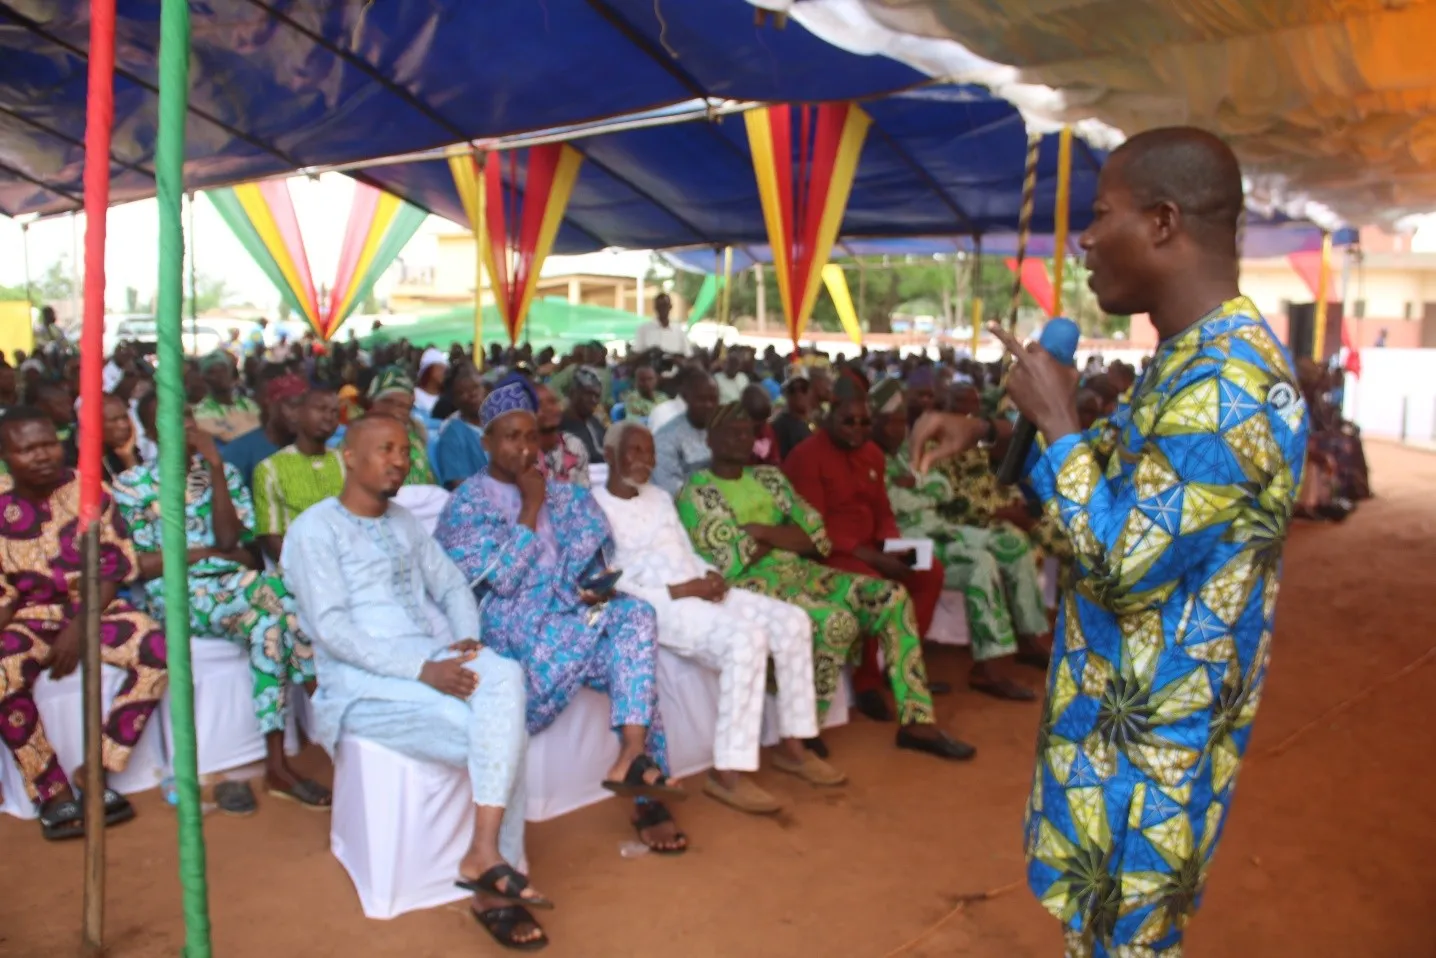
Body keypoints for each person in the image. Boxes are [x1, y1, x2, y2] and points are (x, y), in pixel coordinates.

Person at [913, 127, 1309, 957]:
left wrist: (1057, 418)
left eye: (1102, 215)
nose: (1086, 239)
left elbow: (1125, 557)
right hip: (1108, 742)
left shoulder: (1232, 386)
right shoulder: (1185, 363)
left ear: (1163, 222)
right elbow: (1096, 494)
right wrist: (993, 429)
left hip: (1150, 765)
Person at [283, 415, 547, 949]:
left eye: (404, 450)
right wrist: (421, 670)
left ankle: (485, 856)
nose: (399, 461)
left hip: (427, 660)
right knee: (506, 733)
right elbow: (332, 631)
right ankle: (494, 874)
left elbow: (451, 586)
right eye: (385, 449)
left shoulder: (403, 522)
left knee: (505, 675)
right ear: (348, 458)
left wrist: (467, 643)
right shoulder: (313, 530)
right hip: (361, 687)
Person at [435, 375, 688, 854]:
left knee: (633, 617)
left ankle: (633, 751)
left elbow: (593, 560)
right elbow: (504, 581)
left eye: (532, 436)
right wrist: (530, 508)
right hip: (519, 635)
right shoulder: (465, 504)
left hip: (574, 620)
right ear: (486, 442)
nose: (525, 448)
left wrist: (592, 589)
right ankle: (646, 796)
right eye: (512, 437)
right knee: (627, 653)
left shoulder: (564, 494)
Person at [677, 404, 974, 762]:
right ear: (709, 440)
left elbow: (816, 535)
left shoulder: (768, 478)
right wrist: (785, 535)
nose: (743, 439)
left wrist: (765, 532)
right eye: (732, 433)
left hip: (803, 572)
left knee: (892, 596)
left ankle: (916, 720)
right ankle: (803, 730)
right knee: (835, 620)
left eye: (748, 432)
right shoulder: (697, 490)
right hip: (749, 584)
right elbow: (735, 556)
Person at [594, 419, 843, 815]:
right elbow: (610, 585)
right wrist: (682, 590)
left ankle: (793, 744)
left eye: (650, 452)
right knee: (744, 640)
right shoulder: (593, 507)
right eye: (635, 450)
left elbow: (684, 550)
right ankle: (727, 772)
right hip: (657, 604)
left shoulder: (659, 496)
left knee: (792, 621)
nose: (646, 460)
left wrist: (709, 573)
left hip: (698, 585)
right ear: (609, 454)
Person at [114, 408, 328, 808]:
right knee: (276, 609)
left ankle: (281, 760)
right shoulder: (132, 485)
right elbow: (140, 565)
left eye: (189, 418)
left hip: (234, 585)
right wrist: (209, 553)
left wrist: (214, 465)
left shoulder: (223, 474)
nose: (187, 427)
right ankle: (324, 718)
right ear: (152, 429)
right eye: (175, 419)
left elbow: (235, 542)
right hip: (175, 593)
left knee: (279, 605)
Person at [0, 408, 168, 838]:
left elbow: (112, 567)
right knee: (2, 671)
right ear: (6, 455)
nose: (41, 456)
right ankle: (51, 792)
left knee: (156, 649)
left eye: (47, 444)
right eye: (27, 449)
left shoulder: (88, 488)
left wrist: (79, 626)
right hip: (30, 616)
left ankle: (97, 769)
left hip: (95, 605)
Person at [783, 373, 950, 724]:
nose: (857, 428)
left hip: (875, 545)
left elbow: (883, 511)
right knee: (878, 584)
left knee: (929, 569)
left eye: (864, 422)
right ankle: (867, 683)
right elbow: (812, 529)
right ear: (829, 416)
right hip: (830, 552)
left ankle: (898, 663)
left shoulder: (873, 454)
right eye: (848, 421)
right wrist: (873, 556)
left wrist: (891, 545)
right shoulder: (805, 456)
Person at [870, 379, 1047, 701]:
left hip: (937, 529)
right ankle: (990, 666)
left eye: (899, 422)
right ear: (873, 425)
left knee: (1013, 544)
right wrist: (914, 486)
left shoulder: (907, 449)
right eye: (889, 422)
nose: (897, 429)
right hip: (896, 547)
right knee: (979, 563)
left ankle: (1029, 635)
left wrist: (914, 483)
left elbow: (942, 487)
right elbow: (896, 502)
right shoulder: (870, 458)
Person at [252, 387, 345, 562]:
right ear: (297, 414)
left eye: (334, 412)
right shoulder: (270, 469)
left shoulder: (345, 462)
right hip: (299, 566)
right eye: (321, 409)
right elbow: (270, 536)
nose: (329, 417)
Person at [222, 371, 306, 491]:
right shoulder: (240, 451)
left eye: (304, 407)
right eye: (292, 406)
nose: (298, 414)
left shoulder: (314, 448)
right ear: (270, 405)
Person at [365, 366, 437, 486]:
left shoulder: (416, 440)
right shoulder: (357, 441)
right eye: (389, 402)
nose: (396, 410)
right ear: (373, 404)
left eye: (404, 406)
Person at [651, 371, 719, 495]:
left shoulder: (722, 430)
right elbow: (670, 488)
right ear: (686, 397)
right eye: (701, 399)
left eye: (713, 399)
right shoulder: (666, 437)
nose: (709, 405)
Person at [434, 368, 489, 490]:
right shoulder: (452, 436)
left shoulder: (500, 423)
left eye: (476, 387)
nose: (472, 395)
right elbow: (461, 489)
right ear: (455, 401)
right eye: (462, 392)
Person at [193, 352, 261, 444]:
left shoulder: (247, 404)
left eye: (224, 370)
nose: (221, 376)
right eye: (213, 372)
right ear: (205, 378)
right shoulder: (202, 412)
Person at [535, 383, 589, 486]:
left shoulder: (574, 445)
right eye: (539, 404)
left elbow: (583, 494)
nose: (548, 409)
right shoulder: (523, 452)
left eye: (553, 402)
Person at [559, 367, 606, 463]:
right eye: (588, 394)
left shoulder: (594, 422)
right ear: (572, 393)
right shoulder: (560, 425)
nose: (593, 400)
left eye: (597, 396)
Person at [772, 376, 815, 461]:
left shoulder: (813, 421)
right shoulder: (782, 425)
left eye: (803, 389)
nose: (798, 394)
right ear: (787, 396)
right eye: (792, 390)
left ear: (811, 394)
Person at [742, 384, 781, 466]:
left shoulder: (767, 430)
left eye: (764, 421)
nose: (761, 426)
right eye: (756, 422)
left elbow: (774, 459)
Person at [414, 347, 448, 418]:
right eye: (440, 368)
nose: (444, 373)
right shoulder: (414, 396)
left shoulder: (448, 398)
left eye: (445, 370)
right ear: (428, 370)